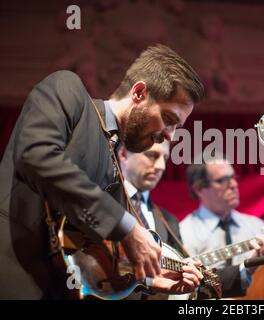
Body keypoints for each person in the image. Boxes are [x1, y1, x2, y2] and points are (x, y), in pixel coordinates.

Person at [0, 44, 204, 299]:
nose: (169, 135)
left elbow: (105, 258)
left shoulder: (115, 164)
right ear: (139, 92)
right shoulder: (67, 87)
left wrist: (150, 279)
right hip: (12, 275)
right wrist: (127, 227)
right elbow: (36, 155)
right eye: (169, 119)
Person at [119, 142, 264, 297]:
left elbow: (192, 281)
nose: (161, 165)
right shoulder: (106, 205)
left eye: (165, 158)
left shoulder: (169, 221)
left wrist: (247, 267)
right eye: (152, 155)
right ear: (123, 154)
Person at [180, 158, 264, 295]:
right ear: (199, 189)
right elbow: (188, 288)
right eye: (222, 180)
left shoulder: (256, 226)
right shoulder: (185, 232)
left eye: (233, 177)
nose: (233, 184)